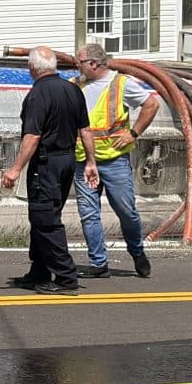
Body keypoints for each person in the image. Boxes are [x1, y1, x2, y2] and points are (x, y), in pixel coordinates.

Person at [0, 45, 99, 296]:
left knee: (46, 219)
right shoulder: (72, 90)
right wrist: (90, 162)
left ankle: (66, 277)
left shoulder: (37, 95)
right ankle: (40, 271)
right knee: (44, 215)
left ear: (32, 67)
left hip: (46, 163)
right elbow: (85, 130)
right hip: (67, 161)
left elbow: (32, 137)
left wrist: (15, 169)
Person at [72, 42, 159, 278]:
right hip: (83, 160)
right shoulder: (74, 85)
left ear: (93, 63)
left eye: (79, 62)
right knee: (89, 213)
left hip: (114, 160)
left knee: (126, 211)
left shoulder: (121, 84)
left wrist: (133, 133)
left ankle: (137, 252)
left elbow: (151, 104)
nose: (75, 65)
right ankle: (99, 263)